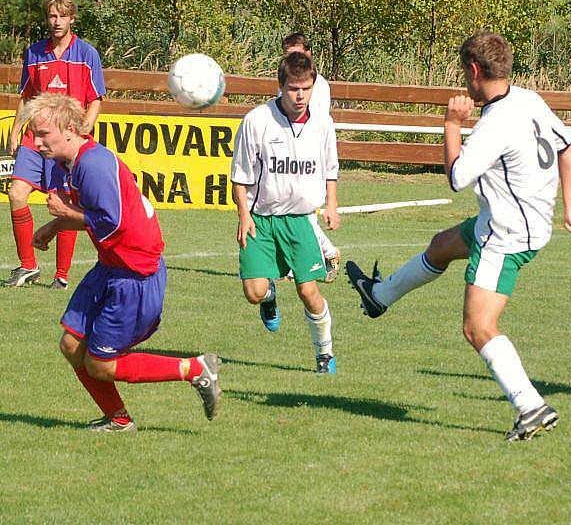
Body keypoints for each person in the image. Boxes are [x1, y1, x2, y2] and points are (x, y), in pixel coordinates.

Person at [346, 31, 571, 441]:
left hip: (505, 234)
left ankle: (530, 407)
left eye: (464, 72)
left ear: (474, 71)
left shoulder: (495, 124)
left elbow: (457, 177)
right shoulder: (528, 99)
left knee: (478, 327)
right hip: (520, 220)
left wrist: (451, 124)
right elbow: (566, 145)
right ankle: (379, 296)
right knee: (442, 247)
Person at [27, 93, 221, 433]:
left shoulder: (93, 164)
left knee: (101, 364)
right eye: (34, 134)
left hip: (135, 275)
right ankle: (118, 419)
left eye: (43, 134)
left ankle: (193, 369)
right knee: (71, 345)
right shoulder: (73, 162)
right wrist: (56, 225)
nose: (37, 141)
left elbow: (112, 221)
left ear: (70, 129)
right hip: (110, 266)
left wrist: (62, 214)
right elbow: (100, 216)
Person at [231, 51, 340, 374]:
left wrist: (331, 204)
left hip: (299, 220)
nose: (300, 95)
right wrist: (243, 214)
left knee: (309, 291)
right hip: (261, 219)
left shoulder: (322, 123)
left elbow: (331, 168)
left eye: (306, 87)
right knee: (254, 292)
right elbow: (240, 174)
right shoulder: (257, 120)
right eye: (294, 88)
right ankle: (269, 296)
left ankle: (325, 354)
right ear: (281, 87)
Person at [5, 0, 106, 289]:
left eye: (62, 15)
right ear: (47, 18)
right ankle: (27, 266)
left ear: (72, 18)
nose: (57, 21)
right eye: (52, 15)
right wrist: (15, 129)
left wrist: (87, 124)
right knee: (16, 194)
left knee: (62, 205)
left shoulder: (87, 54)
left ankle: (61, 275)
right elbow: (26, 97)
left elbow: (96, 98)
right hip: (34, 138)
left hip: (66, 144)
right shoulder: (34, 53)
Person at [280, 32, 340, 283]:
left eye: (298, 53)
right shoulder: (285, 82)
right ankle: (327, 253)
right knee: (293, 210)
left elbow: (316, 124)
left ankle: (309, 261)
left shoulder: (319, 86)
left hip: (310, 158)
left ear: (309, 54)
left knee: (301, 211)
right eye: (288, 54)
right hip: (288, 156)